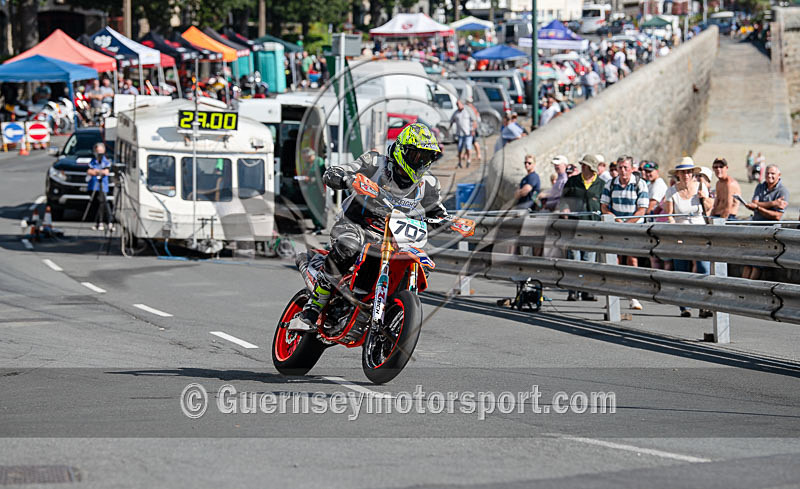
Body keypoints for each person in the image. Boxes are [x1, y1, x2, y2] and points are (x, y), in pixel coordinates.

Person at [289, 123, 464, 331]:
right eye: (416, 155)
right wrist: (346, 178)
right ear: (402, 150)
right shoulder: (375, 163)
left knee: (421, 263)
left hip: (393, 238)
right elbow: (336, 172)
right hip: (356, 226)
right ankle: (312, 309)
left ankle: (389, 309)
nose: (420, 162)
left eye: (426, 157)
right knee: (349, 246)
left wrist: (453, 222)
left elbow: (437, 211)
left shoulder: (428, 183)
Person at [663, 158, 713, 318]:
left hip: (699, 233)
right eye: (683, 172)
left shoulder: (701, 186)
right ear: (678, 174)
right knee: (682, 270)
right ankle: (685, 306)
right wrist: (675, 233)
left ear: (693, 173)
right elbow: (669, 215)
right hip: (681, 234)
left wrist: (704, 198)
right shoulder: (671, 192)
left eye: (689, 172)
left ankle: (704, 305)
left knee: (703, 269)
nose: (686, 175)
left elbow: (709, 208)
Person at [600, 156, 649, 310]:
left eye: (625, 167)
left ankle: (633, 295)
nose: (622, 171)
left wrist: (627, 224)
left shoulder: (640, 184)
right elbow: (604, 206)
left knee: (632, 259)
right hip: (616, 227)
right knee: (614, 260)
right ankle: (613, 296)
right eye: (620, 167)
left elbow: (642, 209)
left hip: (633, 227)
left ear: (632, 169)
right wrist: (616, 220)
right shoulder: (610, 184)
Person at [559, 154, 605, 301]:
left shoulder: (601, 184)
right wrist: (565, 208)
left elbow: (604, 204)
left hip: (592, 226)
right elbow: (563, 199)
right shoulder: (573, 181)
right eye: (586, 167)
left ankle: (587, 290)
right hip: (574, 226)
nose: (587, 170)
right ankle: (573, 290)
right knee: (574, 259)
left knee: (589, 260)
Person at [87, 142, 112, 231]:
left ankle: (109, 222)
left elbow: (106, 172)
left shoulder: (106, 161)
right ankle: (98, 222)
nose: (99, 154)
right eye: (98, 152)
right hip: (94, 185)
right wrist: (98, 172)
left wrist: (97, 171)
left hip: (103, 186)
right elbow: (89, 171)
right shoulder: (93, 161)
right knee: (96, 204)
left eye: (101, 152)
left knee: (104, 203)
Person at [449, 100, 476, 168]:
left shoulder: (467, 111)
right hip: (459, 134)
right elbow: (451, 121)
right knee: (460, 148)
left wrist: (473, 130)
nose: (458, 105)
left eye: (459, 104)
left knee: (468, 147)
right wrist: (449, 130)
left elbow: (474, 120)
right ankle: (459, 162)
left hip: (468, 133)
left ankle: (468, 160)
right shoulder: (456, 113)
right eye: (457, 104)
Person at [466, 97, 482, 163]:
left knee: (474, 142)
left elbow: (476, 120)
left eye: (468, 103)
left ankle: (479, 155)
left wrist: (474, 129)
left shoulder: (472, 109)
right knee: (469, 142)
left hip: (473, 128)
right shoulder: (471, 109)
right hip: (472, 128)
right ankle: (466, 155)